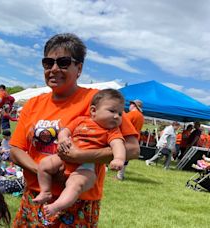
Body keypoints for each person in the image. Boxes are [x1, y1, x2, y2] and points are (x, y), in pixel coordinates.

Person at [9, 33, 139, 226]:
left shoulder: (99, 101)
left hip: (78, 201)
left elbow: (132, 148)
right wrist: (42, 170)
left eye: (63, 62)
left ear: (79, 68)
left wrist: (82, 156)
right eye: (48, 63)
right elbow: (16, 150)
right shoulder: (33, 104)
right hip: (35, 197)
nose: (54, 69)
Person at [33, 89, 126, 216]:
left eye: (120, 114)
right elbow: (65, 131)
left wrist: (119, 159)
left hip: (86, 166)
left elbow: (118, 144)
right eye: (112, 111)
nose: (117, 116)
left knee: (75, 184)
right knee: (44, 164)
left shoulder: (112, 131)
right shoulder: (81, 120)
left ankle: (57, 206)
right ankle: (45, 191)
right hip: (65, 157)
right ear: (93, 111)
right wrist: (63, 138)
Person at [117, 99, 144, 180]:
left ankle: (118, 175)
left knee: (119, 154)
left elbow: (122, 123)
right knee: (126, 157)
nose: (129, 106)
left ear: (134, 105)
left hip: (126, 137)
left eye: (131, 104)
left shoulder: (132, 114)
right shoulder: (141, 116)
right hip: (135, 139)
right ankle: (121, 174)